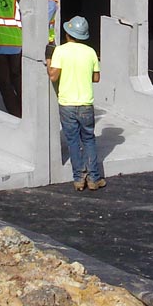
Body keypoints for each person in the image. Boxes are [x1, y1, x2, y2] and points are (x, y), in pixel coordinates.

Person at [48, 16, 104, 192]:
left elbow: (53, 76)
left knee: (72, 140)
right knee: (88, 139)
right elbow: (96, 78)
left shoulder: (60, 51)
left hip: (67, 103)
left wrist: (49, 62)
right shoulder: (91, 52)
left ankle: (79, 179)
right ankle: (94, 178)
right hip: (86, 103)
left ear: (67, 34)